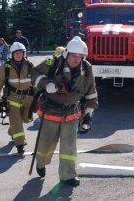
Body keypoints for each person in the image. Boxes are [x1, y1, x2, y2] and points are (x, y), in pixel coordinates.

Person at [31, 36, 98, 186]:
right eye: (74, 55)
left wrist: (89, 112)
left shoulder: (86, 68)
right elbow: (34, 74)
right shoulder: (52, 62)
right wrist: (46, 83)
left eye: (80, 56)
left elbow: (91, 91)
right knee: (46, 144)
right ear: (67, 53)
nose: (77, 59)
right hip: (51, 111)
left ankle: (67, 175)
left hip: (72, 114)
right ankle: (41, 163)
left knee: (69, 146)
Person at [0, 42, 34, 154]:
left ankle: (13, 132)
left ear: (24, 53)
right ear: (12, 54)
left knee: (24, 119)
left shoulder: (30, 66)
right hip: (12, 99)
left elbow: (36, 81)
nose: (19, 55)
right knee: (16, 120)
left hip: (27, 99)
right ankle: (20, 144)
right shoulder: (5, 67)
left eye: (21, 52)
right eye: (16, 53)